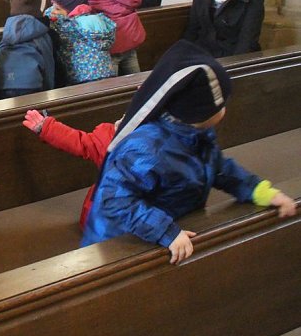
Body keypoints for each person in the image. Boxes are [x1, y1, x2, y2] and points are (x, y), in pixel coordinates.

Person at [81, 40, 296, 263]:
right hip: (120, 243)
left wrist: (259, 191)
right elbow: (115, 200)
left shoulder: (196, 134)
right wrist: (165, 231)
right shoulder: (147, 149)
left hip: (164, 228)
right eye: (220, 105)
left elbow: (218, 167)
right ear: (197, 112)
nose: (224, 109)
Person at [22, 109, 115, 231]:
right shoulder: (113, 137)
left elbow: (81, 142)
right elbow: (80, 142)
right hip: (105, 219)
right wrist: (47, 128)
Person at [45, 0, 116, 85]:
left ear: (74, 11)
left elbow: (57, 21)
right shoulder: (91, 22)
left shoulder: (72, 26)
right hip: (104, 71)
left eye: (57, 9)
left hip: (84, 77)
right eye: (52, 7)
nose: (53, 11)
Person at [0, 0, 55, 98]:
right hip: (31, 83)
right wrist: (50, 88)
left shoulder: (8, 30)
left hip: (2, 83)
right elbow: (48, 61)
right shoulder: (41, 32)